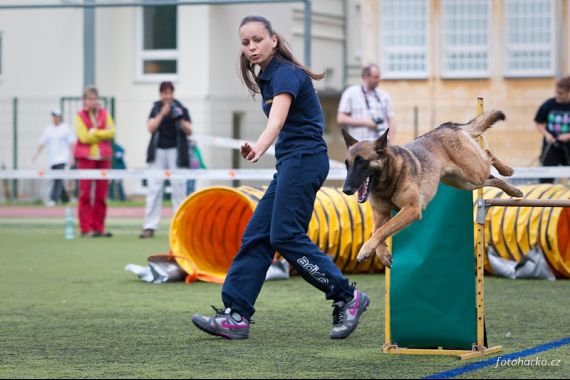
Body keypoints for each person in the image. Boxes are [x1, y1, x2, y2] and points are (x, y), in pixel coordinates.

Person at [191, 15, 370, 340]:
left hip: (304, 162)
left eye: (257, 39)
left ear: (273, 39)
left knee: (286, 235)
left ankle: (347, 296)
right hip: (292, 163)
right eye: (245, 42)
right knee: (258, 235)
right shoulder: (270, 76)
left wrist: (258, 147)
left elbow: (276, 121)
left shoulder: (285, 74)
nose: (251, 47)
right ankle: (236, 315)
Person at [140, 81, 193, 239]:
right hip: (158, 152)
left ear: (173, 93)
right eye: (164, 93)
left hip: (177, 152)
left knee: (179, 189)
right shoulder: (155, 108)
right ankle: (149, 226)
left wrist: (179, 118)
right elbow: (150, 128)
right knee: (154, 189)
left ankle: (181, 226)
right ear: (161, 94)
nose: (167, 96)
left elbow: (189, 131)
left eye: (170, 93)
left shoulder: (181, 108)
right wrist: (162, 114)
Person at [74, 86, 116, 237]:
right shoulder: (79, 116)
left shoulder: (105, 114)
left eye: (95, 98)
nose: (93, 101)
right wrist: (100, 135)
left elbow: (112, 132)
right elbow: (83, 137)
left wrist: (95, 132)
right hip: (86, 159)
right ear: (85, 100)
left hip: (103, 158)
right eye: (90, 99)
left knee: (101, 195)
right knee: (85, 194)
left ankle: (99, 227)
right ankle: (86, 228)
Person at [337, 63, 396, 142]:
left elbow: (391, 121)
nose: (379, 79)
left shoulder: (384, 95)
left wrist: (390, 143)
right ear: (365, 76)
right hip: (359, 146)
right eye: (376, 77)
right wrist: (365, 122)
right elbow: (341, 119)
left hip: (380, 148)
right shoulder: (350, 93)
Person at [33, 108, 75, 205]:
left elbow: (72, 143)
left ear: (60, 117)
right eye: (53, 116)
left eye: (56, 116)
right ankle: (65, 199)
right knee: (57, 178)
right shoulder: (48, 129)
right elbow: (42, 142)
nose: (55, 118)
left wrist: (72, 157)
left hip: (63, 159)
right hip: (53, 160)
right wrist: (36, 154)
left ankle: (53, 199)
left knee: (58, 179)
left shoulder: (66, 128)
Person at [535, 76, 570, 183]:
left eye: (561, 93)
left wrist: (568, 136)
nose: (557, 95)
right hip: (551, 148)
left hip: (568, 147)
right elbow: (539, 122)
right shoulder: (549, 104)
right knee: (545, 179)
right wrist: (547, 135)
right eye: (556, 92)